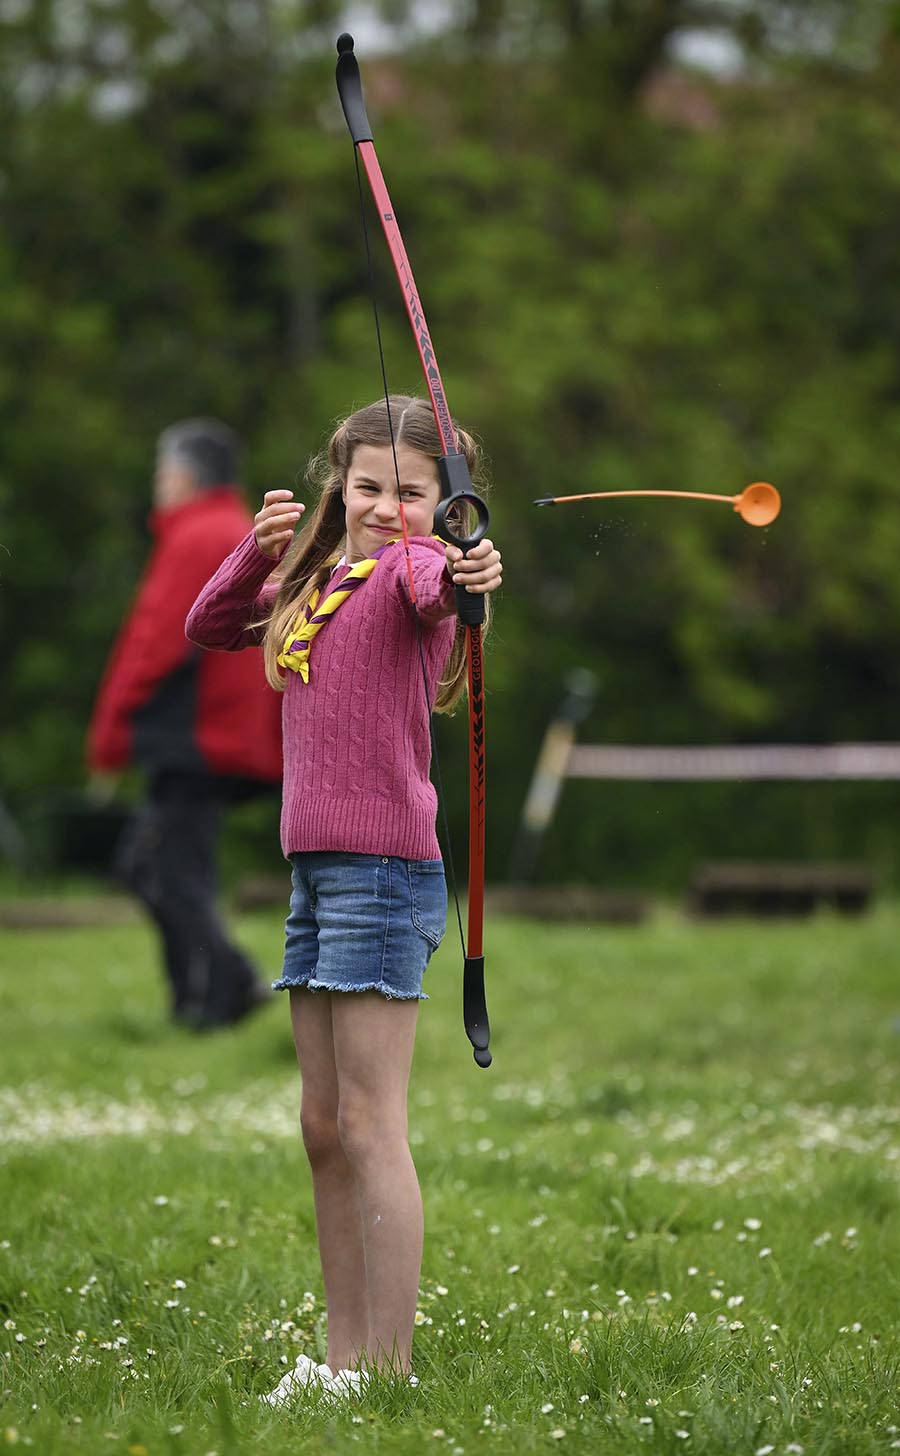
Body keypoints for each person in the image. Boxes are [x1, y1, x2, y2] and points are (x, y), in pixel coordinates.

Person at [185, 396, 503, 1398]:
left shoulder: (413, 569)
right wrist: (257, 549)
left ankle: (384, 1367)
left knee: (369, 1122)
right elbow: (210, 625)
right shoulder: (327, 575)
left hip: (380, 872)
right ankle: (340, 1359)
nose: (384, 507)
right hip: (318, 872)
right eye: (367, 486)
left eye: (412, 491)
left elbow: (436, 591)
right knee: (322, 1124)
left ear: (445, 500)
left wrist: (466, 567)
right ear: (341, 484)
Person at [87, 419, 282, 1029]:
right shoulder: (234, 527)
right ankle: (200, 999)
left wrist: (109, 735)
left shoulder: (198, 534)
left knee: (165, 871)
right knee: (162, 867)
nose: (157, 485)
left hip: (198, 738)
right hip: (230, 735)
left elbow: (151, 644)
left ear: (184, 476)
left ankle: (223, 990)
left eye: (161, 472)